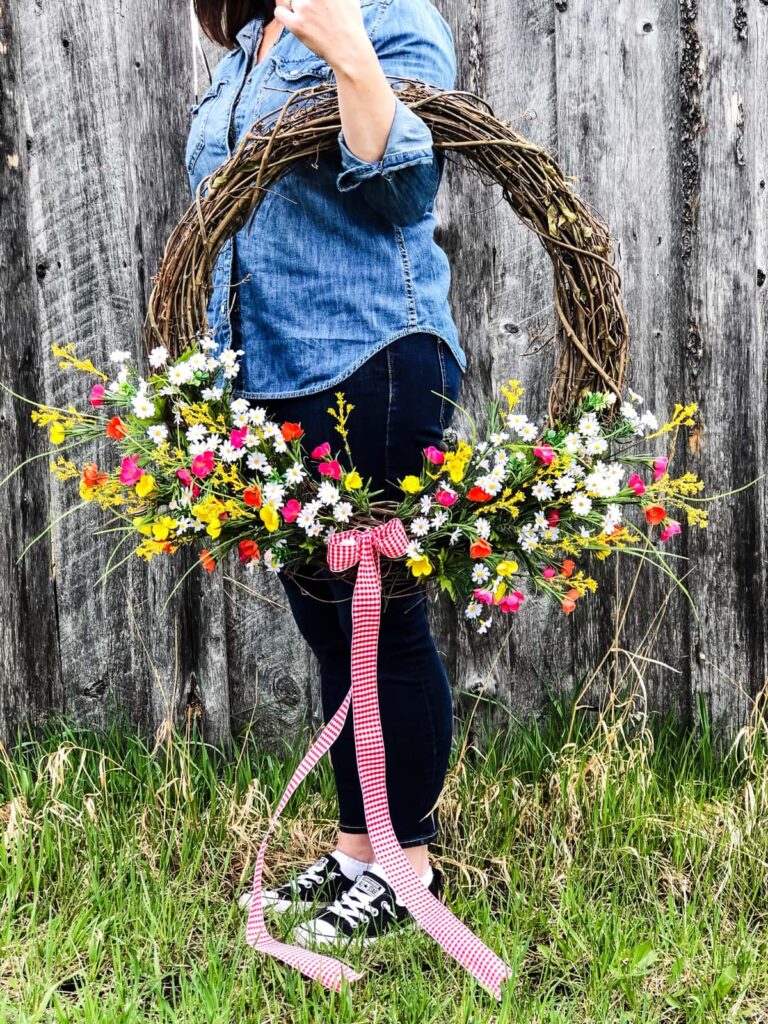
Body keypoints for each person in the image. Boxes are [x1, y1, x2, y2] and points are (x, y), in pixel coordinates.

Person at [187, 0, 467, 947]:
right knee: (329, 625)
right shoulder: (246, 42)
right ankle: (358, 848)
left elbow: (404, 188)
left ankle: (407, 869)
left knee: (381, 623)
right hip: (267, 371)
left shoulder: (392, 18)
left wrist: (348, 51)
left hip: (369, 360)